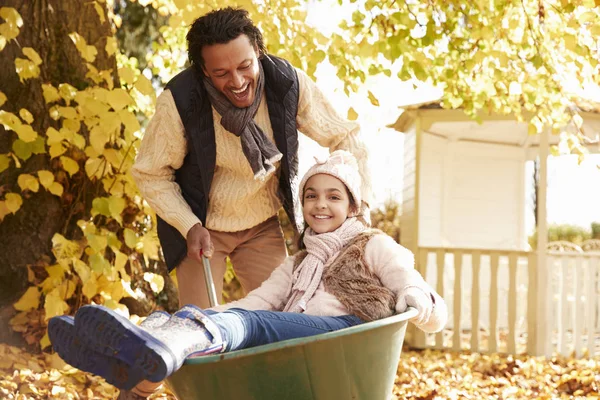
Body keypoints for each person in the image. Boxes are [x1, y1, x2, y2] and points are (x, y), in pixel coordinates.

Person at [49, 151, 447, 398]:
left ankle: (155, 355)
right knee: (216, 320)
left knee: (249, 324)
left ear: (353, 207)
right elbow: (257, 303)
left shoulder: (371, 244)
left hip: (342, 339)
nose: (320, 205)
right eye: (311, 196)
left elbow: (411, 283)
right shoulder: (299, 262)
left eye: (333, 197)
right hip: (301, 346)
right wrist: (210, 317)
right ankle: (138, 363)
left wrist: (416, 300)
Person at [130, 6, 372, 312]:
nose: (238, 81)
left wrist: (357, 206)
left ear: (257, 51)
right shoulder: (180, 100)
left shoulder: (287, 85)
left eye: (245, 66)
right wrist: (188, 225)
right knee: (200, 326)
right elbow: (150, 173)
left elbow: (346, 136)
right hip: (202, 226)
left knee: (281, 320)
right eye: (221, 73)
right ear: (203, 70)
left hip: (260, 224)